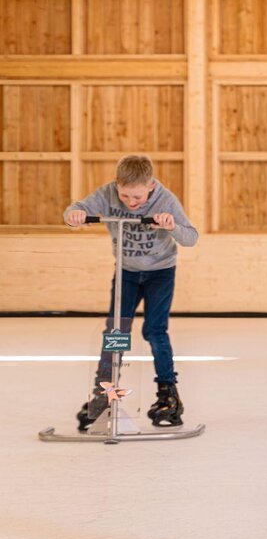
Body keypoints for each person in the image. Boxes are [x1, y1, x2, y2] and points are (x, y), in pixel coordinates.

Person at [64, 155, 198, 430]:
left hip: (160, 272)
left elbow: (191, 237)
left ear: (150, 186)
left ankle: (168, 394)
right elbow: (74, 210)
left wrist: (171, 225)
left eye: (137, 197)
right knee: (117, 330)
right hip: (126, 271)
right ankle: (105, 393)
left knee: (154, 331)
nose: (131, 202)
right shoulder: (108, 194)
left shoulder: (165, 199)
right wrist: (74, 216)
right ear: (117, 185)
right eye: (125, 196)